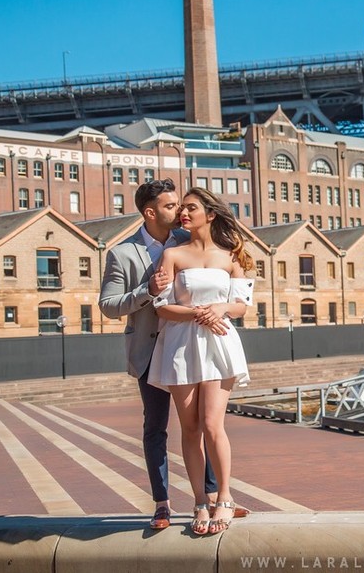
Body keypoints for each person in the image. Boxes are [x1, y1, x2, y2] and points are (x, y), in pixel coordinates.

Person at [99, 178, 228, 530]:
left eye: (184, 205)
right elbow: (108, 306)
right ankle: (162, 504)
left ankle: (213, 497)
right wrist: (145, 290)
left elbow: (226, 276)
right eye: (172, 206)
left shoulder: (191, 243)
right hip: (149, 349)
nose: (181, 211)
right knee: (155, 427)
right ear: (150, 212)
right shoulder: (121, 254)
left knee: (205, 423)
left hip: (190, 348)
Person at [148, 187, 254, 536]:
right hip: (180, 344)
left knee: (212, 424)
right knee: (190, 428)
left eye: (191, 208)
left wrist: (220, 308)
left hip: (219, 343)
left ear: (210, 214)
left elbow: (240, 306)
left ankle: (224, 497)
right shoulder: (172, 254)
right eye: (182, 208)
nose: (183, 213)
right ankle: (199, 501)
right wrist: (197, 313)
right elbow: (161, 306)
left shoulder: (231, 256)